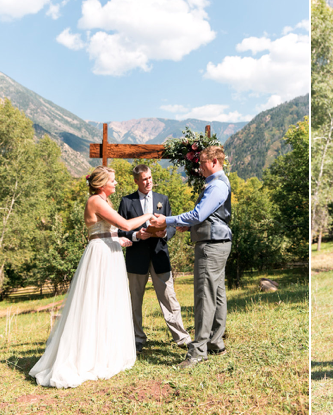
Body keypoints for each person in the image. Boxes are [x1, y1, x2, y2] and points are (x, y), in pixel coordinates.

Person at [29, 166, 154, 388]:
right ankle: (89, 357)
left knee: (108, 304)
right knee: (96, 303)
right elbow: (124, 224)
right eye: (113, 181)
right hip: (101, 256)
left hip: (110, 251)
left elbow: (109, 231)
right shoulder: (95, 200)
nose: (116, 183)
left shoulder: (104, 202)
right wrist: (149, 215)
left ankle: (104, 352)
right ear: (101, 184)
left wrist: (124, 239)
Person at [150, 146, 232, 368]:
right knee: (217, 295)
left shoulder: (215, 185)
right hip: (217, 243)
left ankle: (198, 351)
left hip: (210, 247)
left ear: (214, 161)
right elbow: (207, 217)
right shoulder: (219, 183)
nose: (200, 168)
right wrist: (188, 226)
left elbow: (198, 214)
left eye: (203, 163)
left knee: (204, 296)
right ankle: (215, 342)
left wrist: (166, 220)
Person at [117, 164, 191, 354]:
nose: (148, 182)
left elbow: (173, 224)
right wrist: (136, 235)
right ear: (136, 181)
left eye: (150, 178)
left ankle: (181, 338)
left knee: (170, 298)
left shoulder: (162, 199)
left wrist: (165, 232)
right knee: (134, 301)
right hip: (136, 258)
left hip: (159, 256)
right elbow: (120, 229)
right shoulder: (126, 202)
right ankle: (137, 339)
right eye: (144, 179)